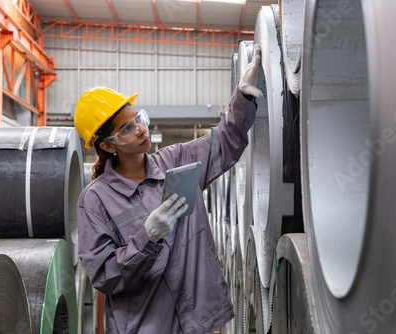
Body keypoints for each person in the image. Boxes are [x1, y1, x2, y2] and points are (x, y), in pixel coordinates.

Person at [74, 44, 263, 334]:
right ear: (108, 145)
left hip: (198, 322)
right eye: (126, 128)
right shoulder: (96, 199)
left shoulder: (175, 161)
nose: (140, 129)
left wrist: (243, 97)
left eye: (138, 118)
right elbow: (104, 275)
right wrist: (146, 238)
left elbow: (223, 143)